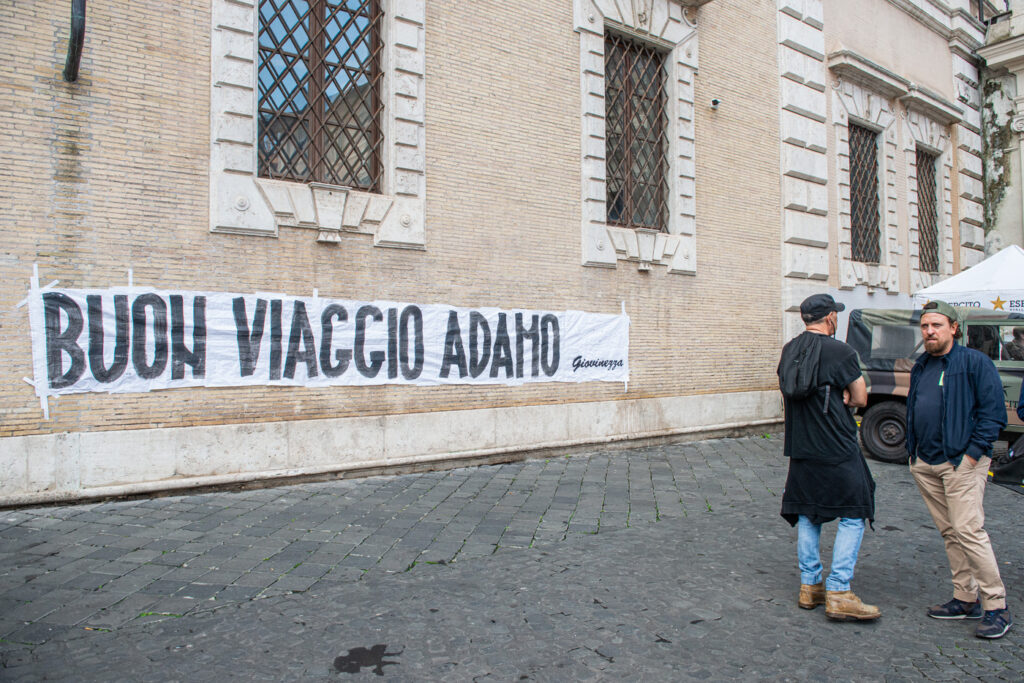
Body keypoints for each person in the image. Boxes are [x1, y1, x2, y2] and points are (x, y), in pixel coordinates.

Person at [906, 300, 1011, 639]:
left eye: (936, 325)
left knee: (969, 531)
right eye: (924, 326)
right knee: (951, 531)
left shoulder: (974, 363)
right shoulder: (921, 365)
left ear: (954, 327)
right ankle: (965, 598)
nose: (929, 331)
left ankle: (997, 606)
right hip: (926, 463)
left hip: (961, 463)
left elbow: (993, 414)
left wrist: (971, 456)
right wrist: (914, 455)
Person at [779, 293, 879, 621]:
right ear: (830, 318)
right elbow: (861, 396)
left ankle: (810, 587)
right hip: (836, 444)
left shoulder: (790, 349)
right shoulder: (841, 351)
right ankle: (838, 590)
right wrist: (846, 394)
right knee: (855, 509)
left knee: (808, 513)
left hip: (801, 445)